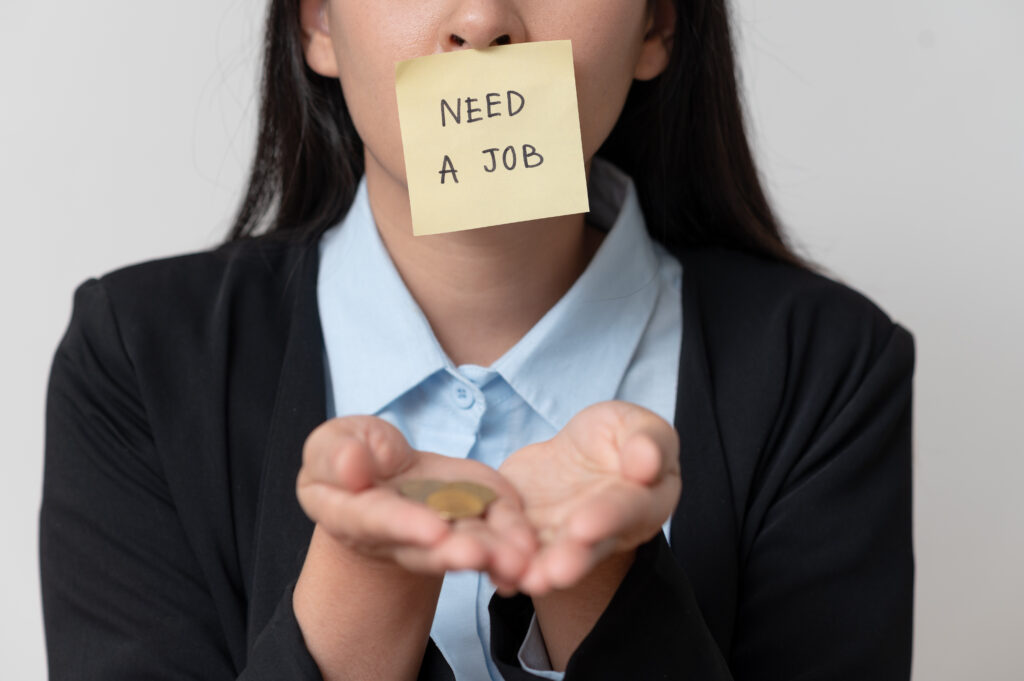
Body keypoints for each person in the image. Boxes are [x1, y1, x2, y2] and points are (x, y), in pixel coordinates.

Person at [39, 1, 915, 680]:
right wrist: (364, 578)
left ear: (656, 24)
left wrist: (599, 576)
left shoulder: (828, 370)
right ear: (318, 23)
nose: (484, 21)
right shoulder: (138, 361)